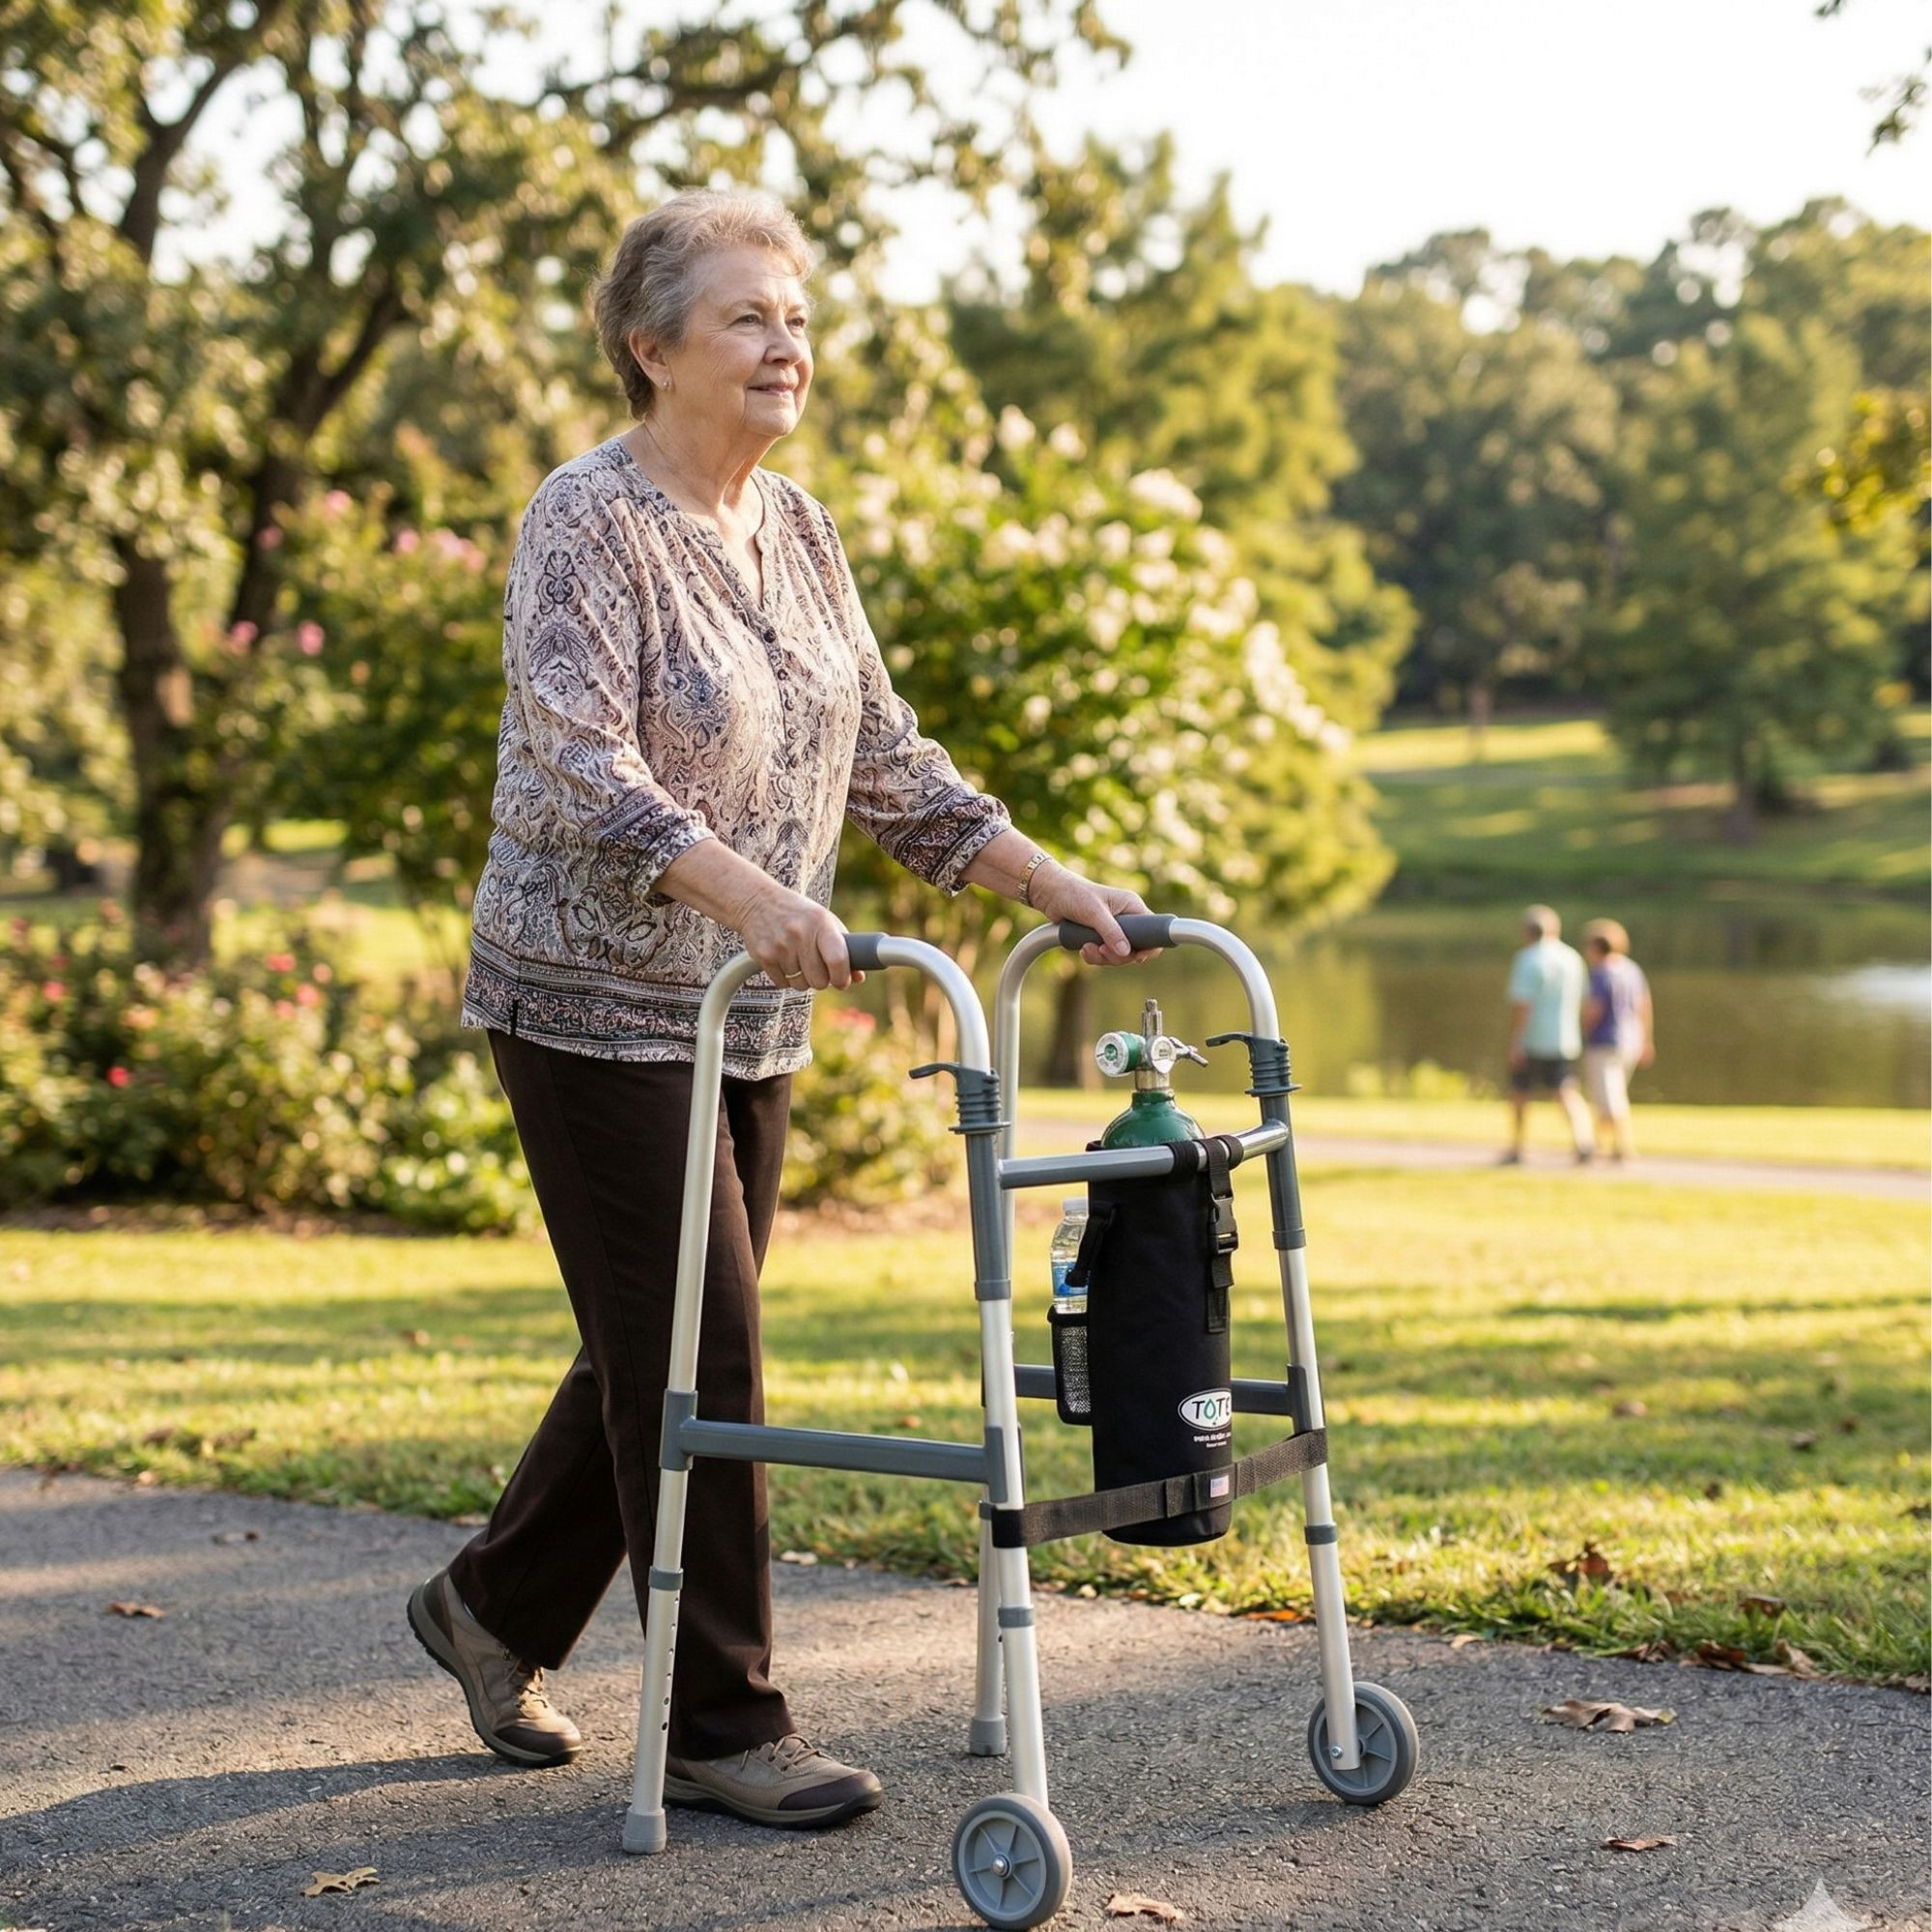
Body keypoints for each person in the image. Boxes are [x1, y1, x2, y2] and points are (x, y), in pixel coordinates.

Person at [405, 189, 1153, 1833]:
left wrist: (1050, 883)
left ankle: (491, 1610)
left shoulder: (798, 527)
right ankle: (727, 1723)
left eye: (796, 317)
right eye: (745, 318)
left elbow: (884, 753)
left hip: (747, 1009)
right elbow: (582, 761)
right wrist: (752, 896)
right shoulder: (585, 520)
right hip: (594, 995)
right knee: (707, 1344)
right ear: (650, 347)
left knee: (659, 1340)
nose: (784, 344)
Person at [1501, 904, 1593, 1164]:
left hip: (1533, 1037)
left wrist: (1516, 1039)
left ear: (1527, 932)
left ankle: (1518, 1147)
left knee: (1520, 1092)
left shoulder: (1527, 959)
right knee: (1566, 1090)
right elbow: (1584, 1000)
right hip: (1564, 1037)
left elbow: (1523, 1005)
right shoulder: (1572, 958)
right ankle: (1583, 1140)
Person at [1580, 917, 1654, 1161]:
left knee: (1609, 1097)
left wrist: (1582, 1030)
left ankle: (1622, 1145)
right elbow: (1644, 1007)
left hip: (1604, 1041)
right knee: (1611, 1092)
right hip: (1630, 1040)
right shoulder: (1632, 970)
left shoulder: (1602, 974)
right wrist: (1646, 1040)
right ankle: (1598, 1144)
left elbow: (1595, 1009)